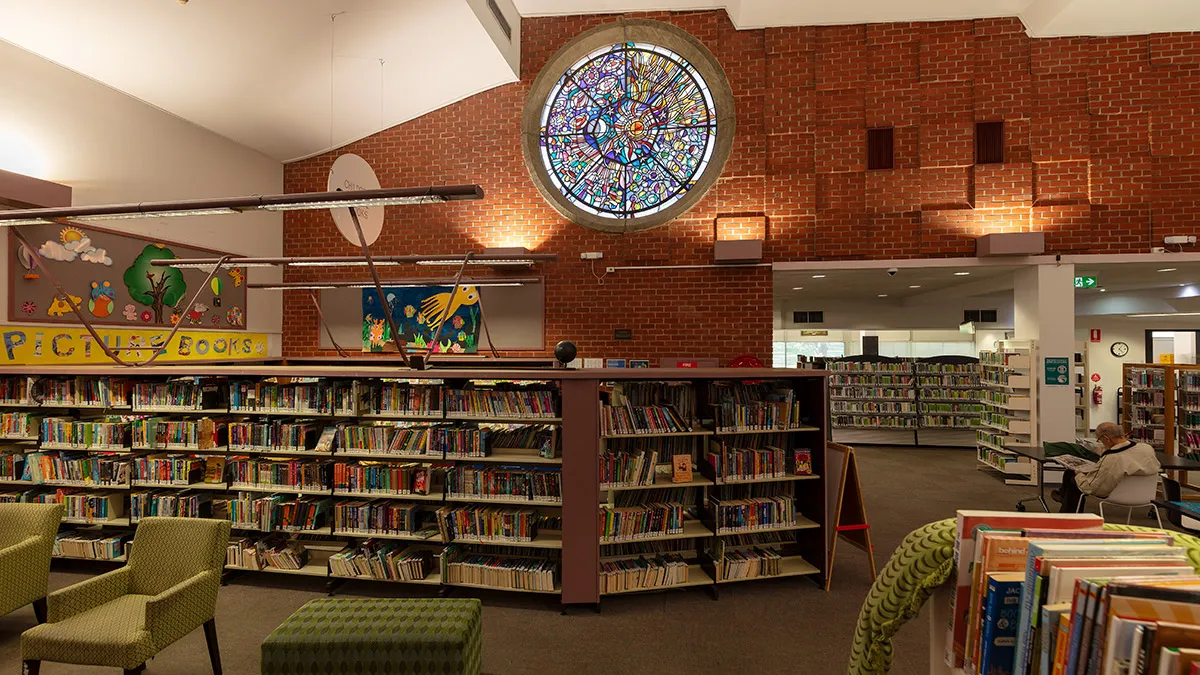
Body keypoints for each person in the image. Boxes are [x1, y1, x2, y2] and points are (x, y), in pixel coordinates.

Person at [1054, 422, 1161, 513]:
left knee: (1073, 478)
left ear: (1106, 438)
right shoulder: (1146, 448)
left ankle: (1069, 513)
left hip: (1118, 494)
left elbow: (1092, 488)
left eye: (1099, 440)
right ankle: (1063, 495)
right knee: (1070, 473)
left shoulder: (1113, 458)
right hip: (1144, 493)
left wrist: (1079, 474)